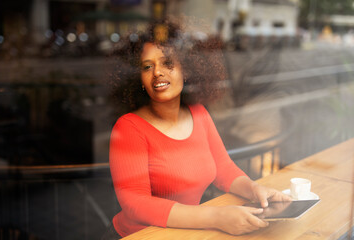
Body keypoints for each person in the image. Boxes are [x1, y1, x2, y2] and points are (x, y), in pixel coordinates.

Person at [106, 20, 291, 239]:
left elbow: (223, 169)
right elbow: (136, 204)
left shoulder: (199, 113)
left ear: (186, 70)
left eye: (167, 63)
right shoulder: (129, 127)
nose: (157, 72)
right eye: (147, 66)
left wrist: (255, 190)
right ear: (140, 80)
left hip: (187, 232)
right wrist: (216, 218)